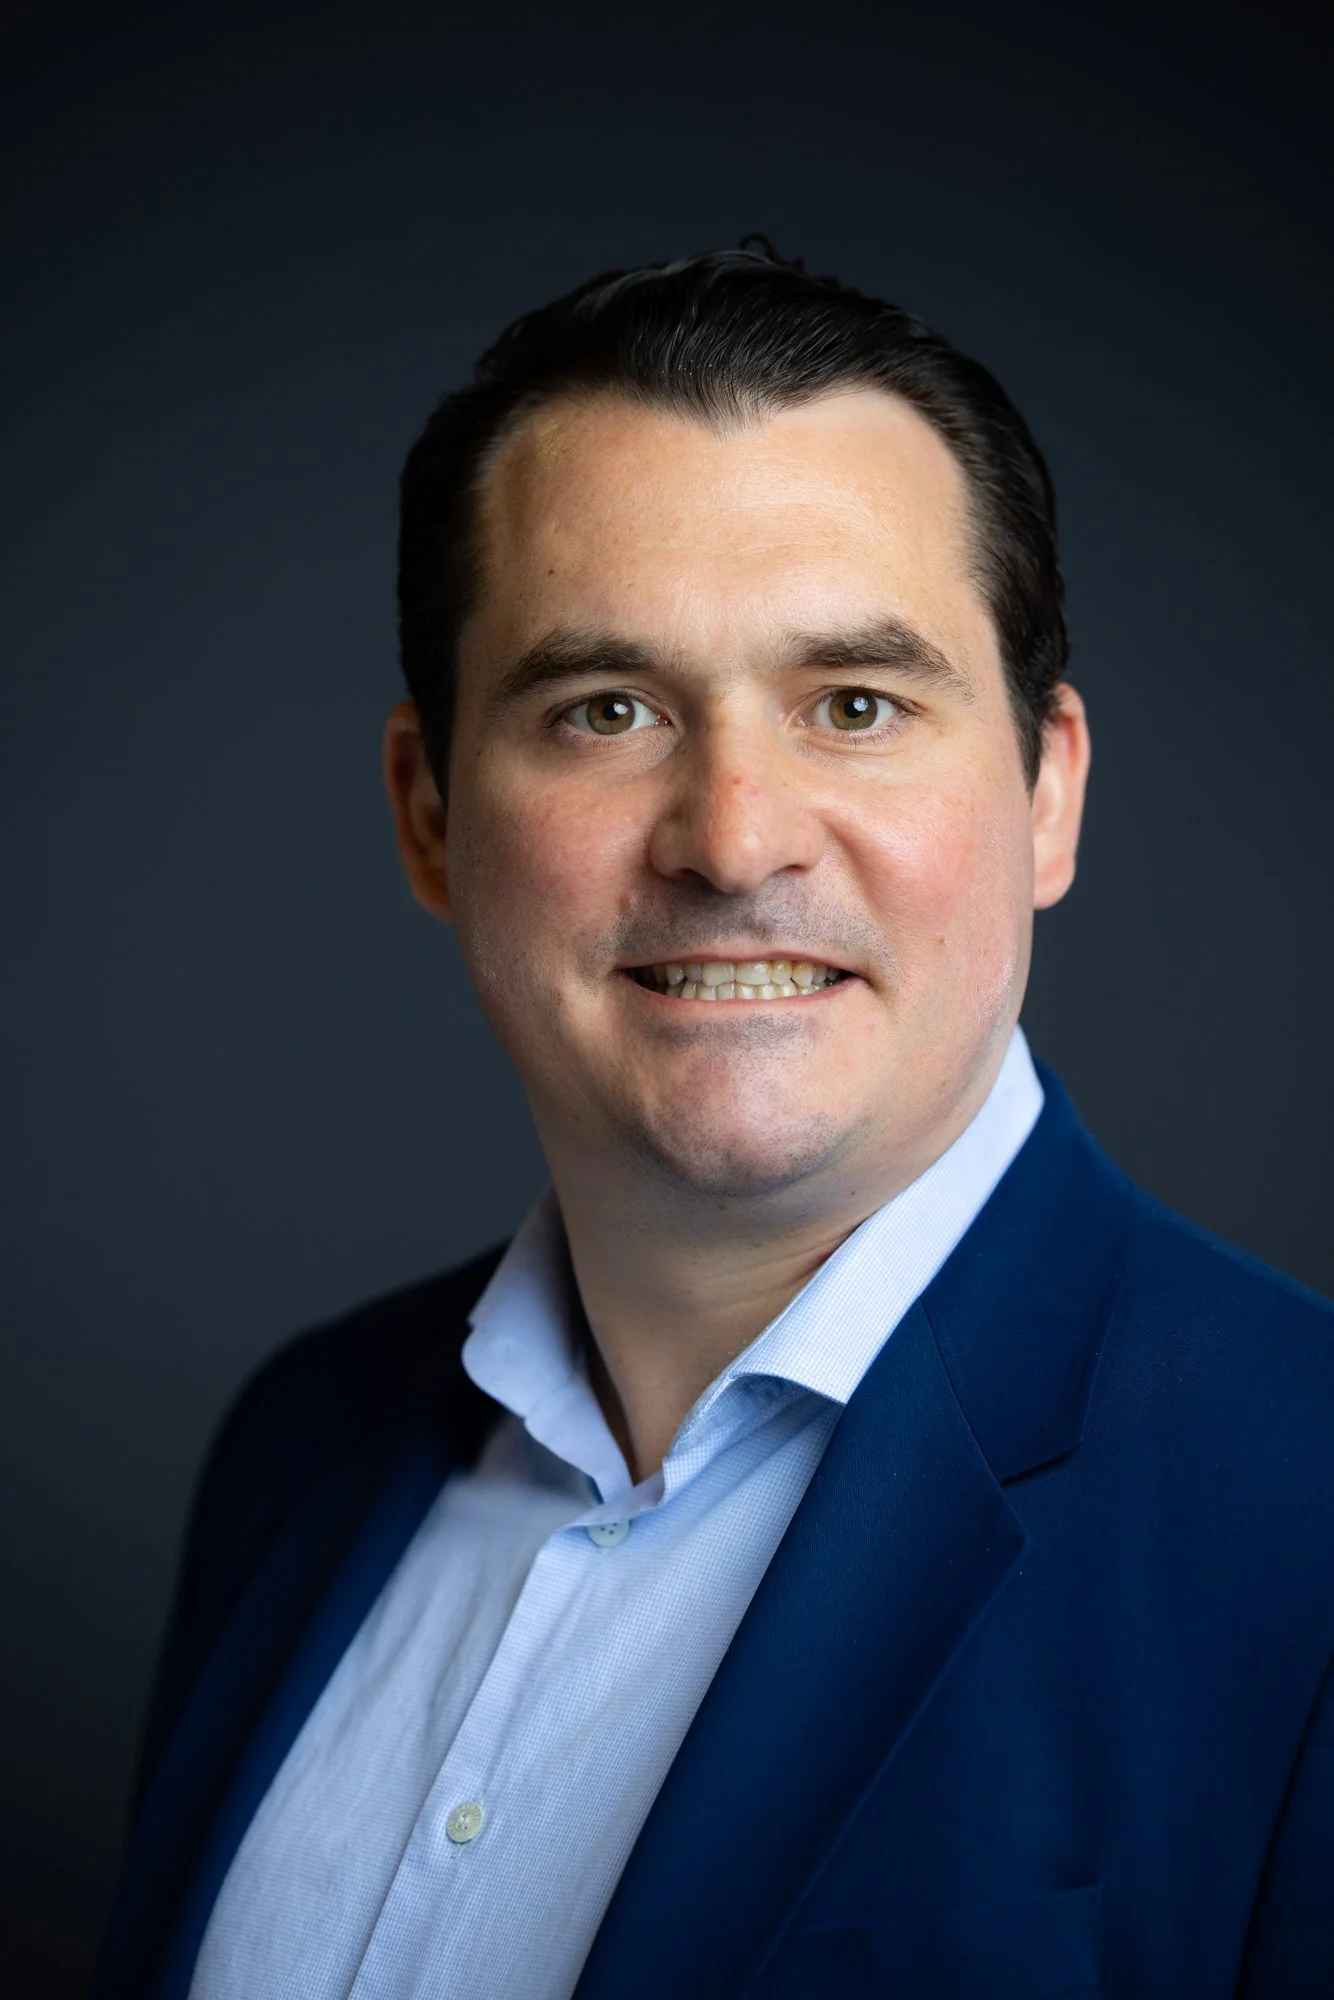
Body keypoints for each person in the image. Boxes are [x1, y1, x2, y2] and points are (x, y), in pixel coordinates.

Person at [94, 246, 1334, 2000]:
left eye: (855, 705)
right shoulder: (301, 1448)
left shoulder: (1305, 1516)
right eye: (606, 711)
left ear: (1046, 792)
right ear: (428, 815)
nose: (735, 838)